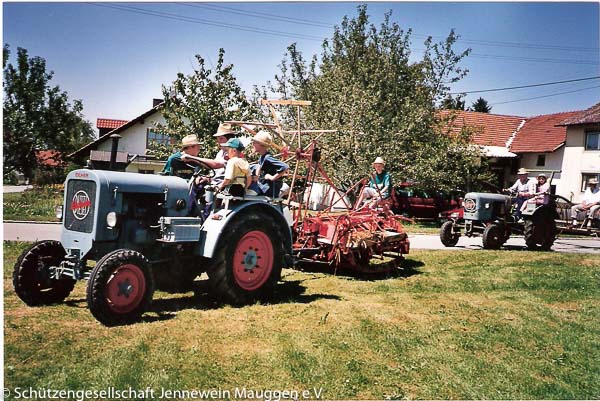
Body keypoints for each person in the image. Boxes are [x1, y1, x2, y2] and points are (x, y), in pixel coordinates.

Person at [249, 131, 289, 198]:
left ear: (260, 144)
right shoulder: (262, 157)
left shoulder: (267, 158)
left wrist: (272, 178)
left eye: (254, 142)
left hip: (268, 189)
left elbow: (285, 167)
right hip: (264, 187)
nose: (252, 144)